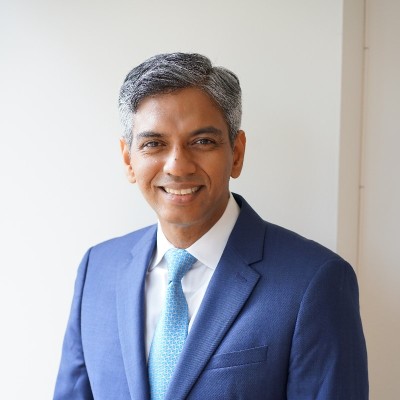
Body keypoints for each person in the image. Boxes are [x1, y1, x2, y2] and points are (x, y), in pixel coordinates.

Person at [54, 52, 368, 400]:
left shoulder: (314, 281)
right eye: (154, 144)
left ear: (237, 153)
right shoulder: (97, 270)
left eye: (202, 141)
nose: (177, 166)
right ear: (129, 160)